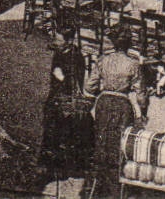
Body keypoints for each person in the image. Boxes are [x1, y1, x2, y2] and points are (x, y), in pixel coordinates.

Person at [84, 26, 147, 199]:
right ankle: (116, 188)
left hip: (103, 104)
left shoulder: (103, 60)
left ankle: (98, 186)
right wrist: (143, 111)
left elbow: (89, 86)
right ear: (128, 44)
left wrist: (100, 90)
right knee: (119, 144)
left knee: (101, 141)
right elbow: (141, 94)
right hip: (122, 105)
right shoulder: (133, 64)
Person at [41, 25, 91, 178]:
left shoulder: (76, 57)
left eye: (59, 40)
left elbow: (77, 83)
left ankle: (62, 168)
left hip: (66, 102)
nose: (55, 42)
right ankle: (50, 166)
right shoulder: (59, 52)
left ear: (69, 41)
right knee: (50, 131)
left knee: (63, 133)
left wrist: (62, 77)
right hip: (55, 98)